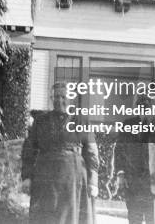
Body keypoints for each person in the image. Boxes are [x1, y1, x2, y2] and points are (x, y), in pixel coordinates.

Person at [21, 82, 99, 224]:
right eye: (56, 97)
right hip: (45, 179)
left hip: (73, 179)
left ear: (71, 98)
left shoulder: (81, 120)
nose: (60, 101)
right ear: (51, 99)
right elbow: (29, 150)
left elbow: (92, 153)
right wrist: (27, 176)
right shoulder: (41, 121)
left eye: (63, 97)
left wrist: (93, 181)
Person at [112, 95, 155, 224]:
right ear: (137, 108)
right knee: (134, 220)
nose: (145, 110)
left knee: (152, 220)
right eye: (141, 107)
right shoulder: (127, 125)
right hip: (133, 184)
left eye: (148, 107)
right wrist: (120, 175)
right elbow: (119, 151)